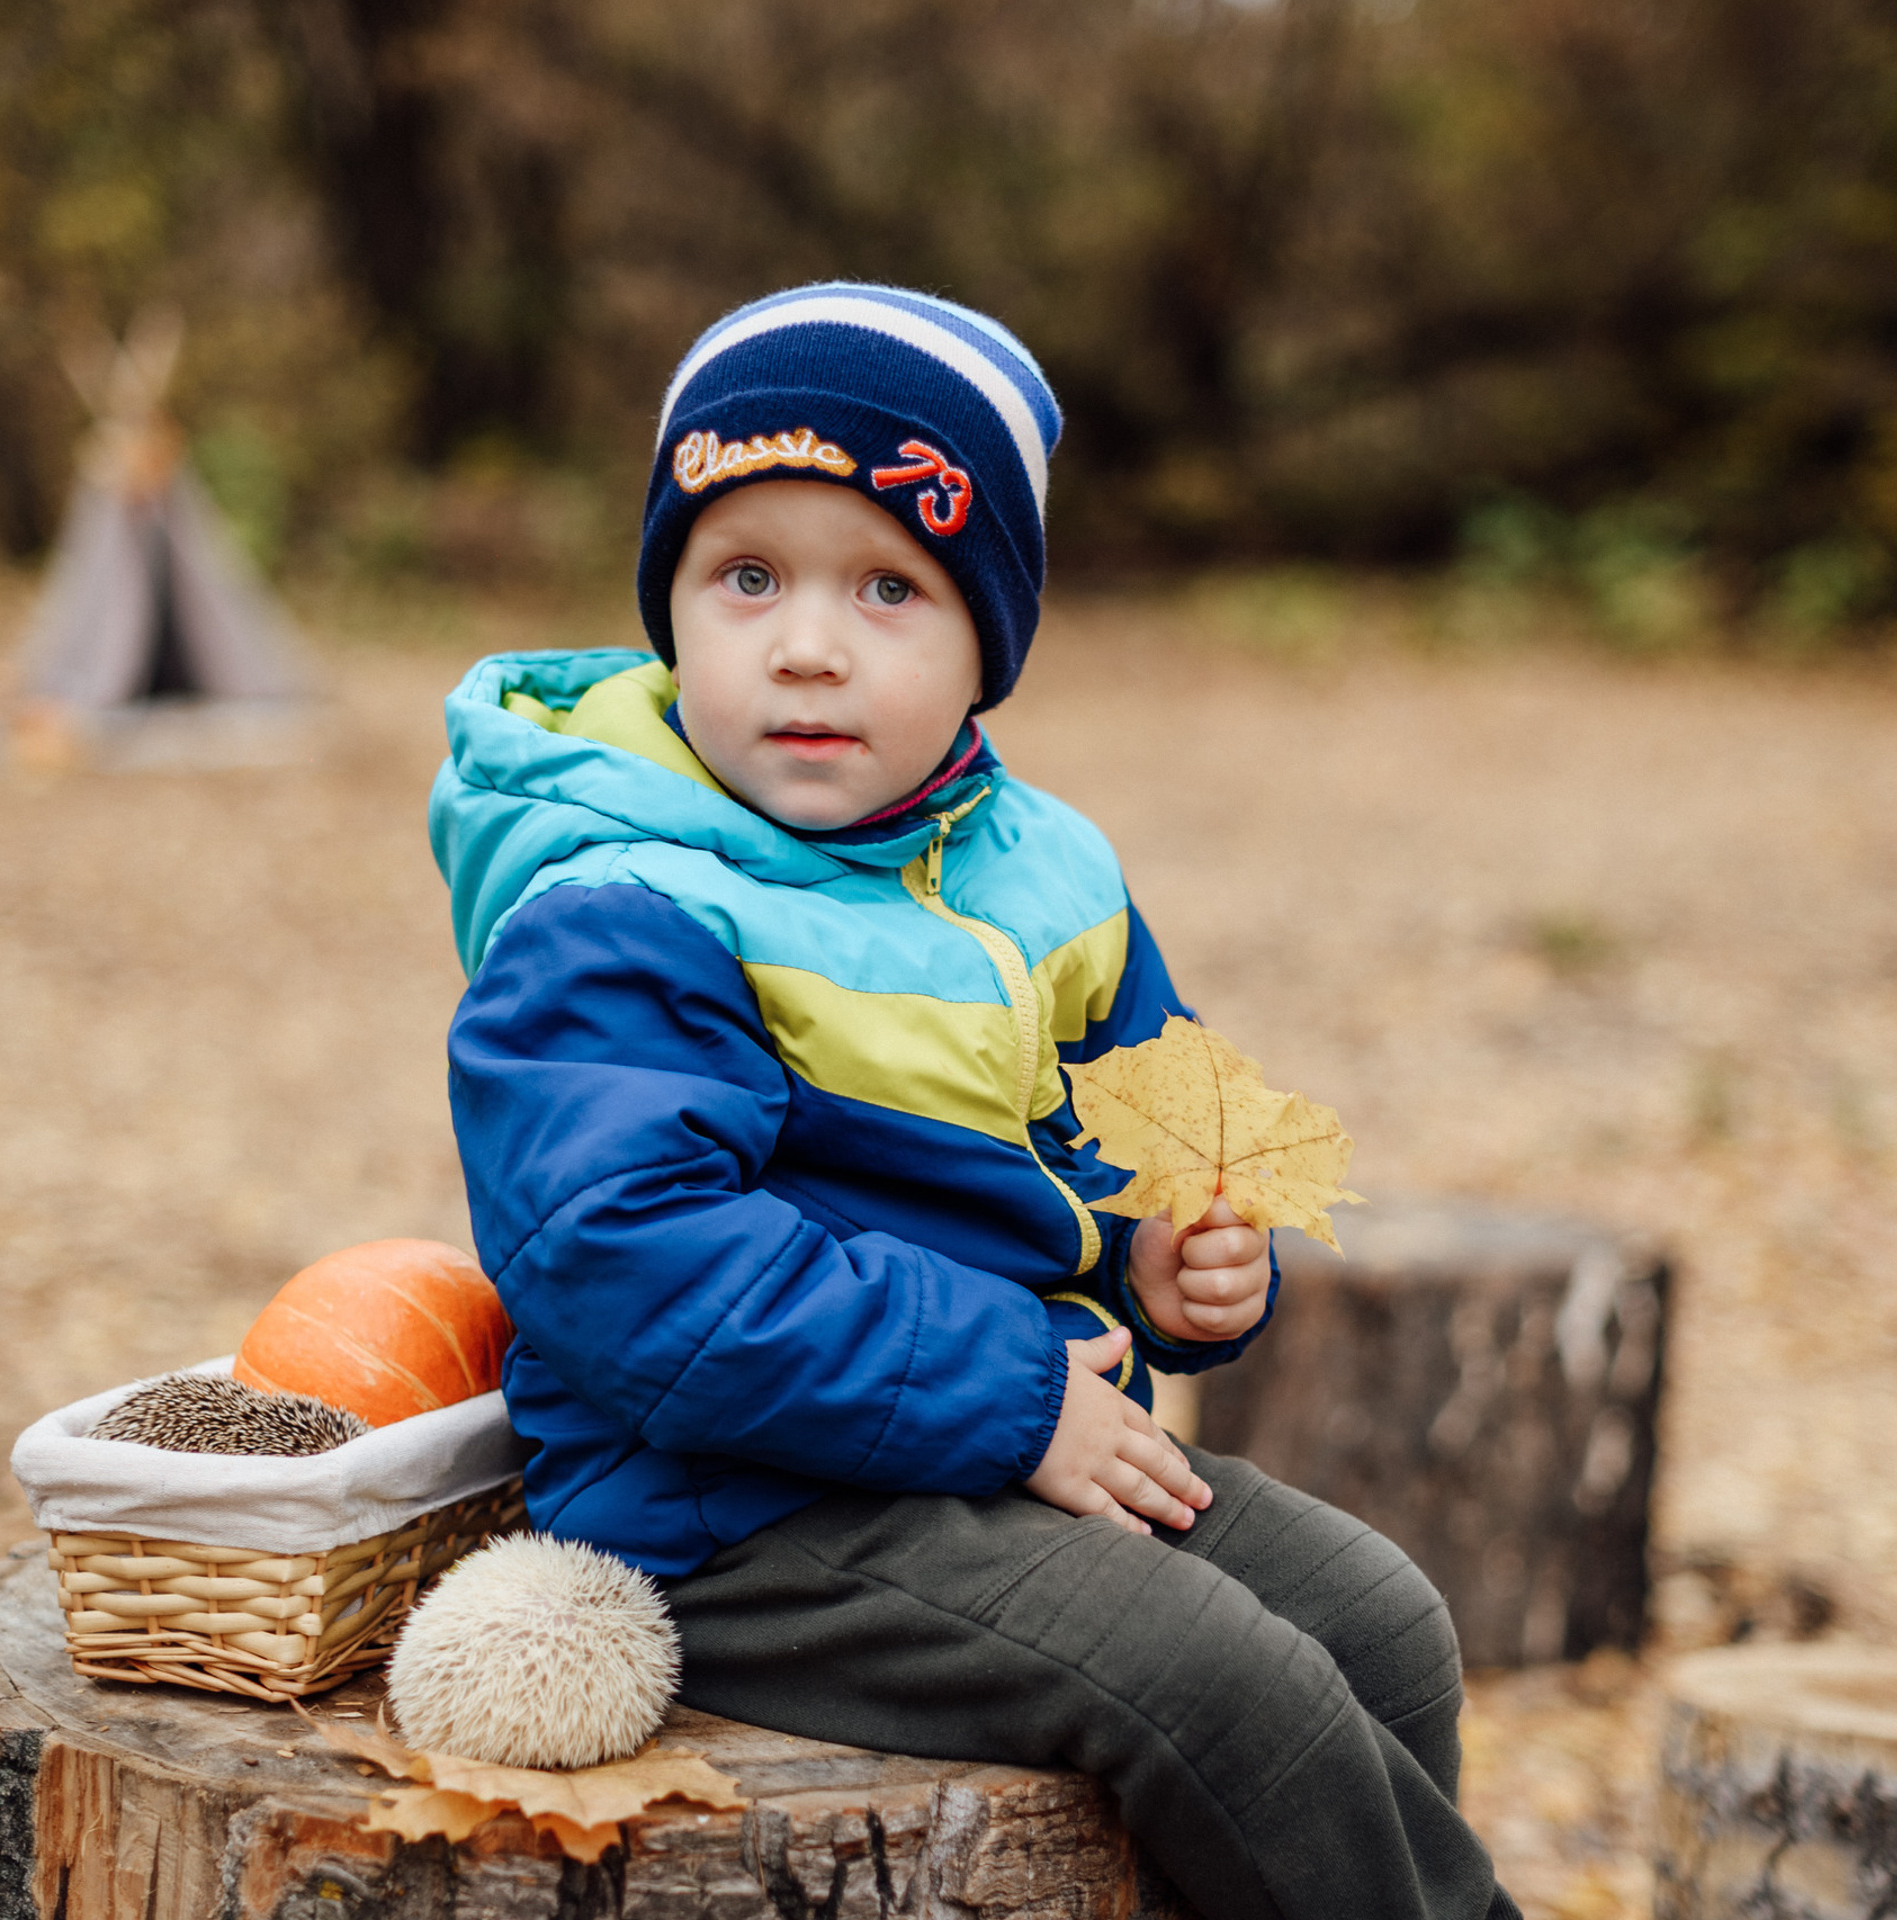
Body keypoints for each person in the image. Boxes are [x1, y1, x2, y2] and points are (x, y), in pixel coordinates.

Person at [431, 283, 1521, 1920]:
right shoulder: (625, 901)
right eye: (746, 577)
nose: (807, 642)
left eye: (889, 586)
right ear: (674, 608)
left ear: (986, 643)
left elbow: (1150, 1115)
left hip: (993, 1447)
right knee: (1230, 1691)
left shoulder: (1042, 869)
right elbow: (620, 1256)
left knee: (1379, 1622)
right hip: (741, 1507)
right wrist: (1015, 1387)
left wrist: (1183, 1263)